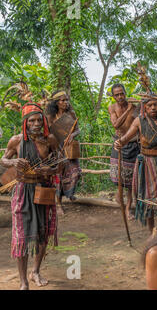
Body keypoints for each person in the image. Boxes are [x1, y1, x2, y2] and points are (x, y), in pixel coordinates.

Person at [1, 102, 61, 290]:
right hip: (22, 193)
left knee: (42, 234)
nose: (36, 124)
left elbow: (62, 163)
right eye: (32, 121)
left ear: (43, 121)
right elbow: (3, 159)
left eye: (39, 120)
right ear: (25, 123)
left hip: (43, 191)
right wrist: (13, 161)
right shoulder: (16, 141)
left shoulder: (50, 140)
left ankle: (35, 271)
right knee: (22, 237)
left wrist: (50, 169)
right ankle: (23, 281)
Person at [114, 96, 157, 233]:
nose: (153, 108)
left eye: (155, 105)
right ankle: (151, 232)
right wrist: (119, 142)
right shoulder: (139, 121)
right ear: (145, 108)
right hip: (147, 163)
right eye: (150, 105)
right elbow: (126, 138)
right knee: (148, 198)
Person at [46, 90, 82, 215]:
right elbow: (48, 133)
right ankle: (59, 204)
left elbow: (78, 129)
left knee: (75, 173)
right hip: (56, 149)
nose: (65, 102)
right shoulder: (51, 116)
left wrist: (72, 135)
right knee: (58, 177)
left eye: (67, 100)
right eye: (62, 100)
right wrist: (54, 147)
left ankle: (69, 193)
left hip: (69, 148)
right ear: (56, 102)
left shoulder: (71, 113)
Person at [108, 83, 140, 220]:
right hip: (119, 143)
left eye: (122, 93)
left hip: (133, 144)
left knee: (131, 182)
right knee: (119, 178)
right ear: (114, 96)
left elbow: (141, 120)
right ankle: (120, 201)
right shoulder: (112, 107)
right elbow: (116, 124)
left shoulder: (135, 105)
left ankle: (128, 209)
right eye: (117, 95)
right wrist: (128, 111)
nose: (120, 96)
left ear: (125, 93)